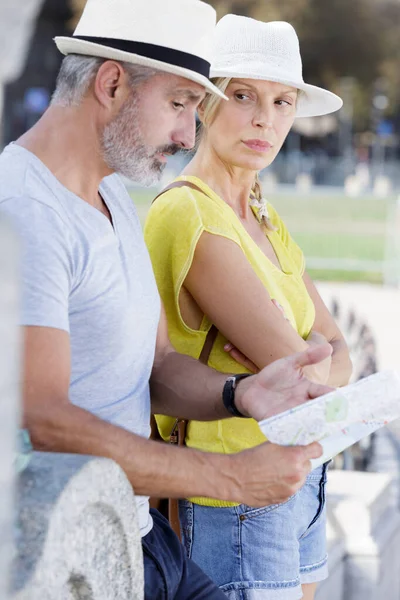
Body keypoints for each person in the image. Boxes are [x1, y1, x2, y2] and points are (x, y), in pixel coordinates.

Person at [0, 2, 332, 599]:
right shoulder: (23, 212)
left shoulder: (113, 196)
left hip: (145, 540)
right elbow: (43, 421)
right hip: (70, 561)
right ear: (111, 83)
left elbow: (158, 366)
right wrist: (230, 477)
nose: (187, 133)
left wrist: (238, 394)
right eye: (180, 103)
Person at [144, 15, 352, 600]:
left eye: (283, 101)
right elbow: (303, 371)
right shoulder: (189, 212)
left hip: (300, 474)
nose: (266, 118)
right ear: (206, 104)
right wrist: (310, 357)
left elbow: (341, 357)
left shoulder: (263, 216)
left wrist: (312, 359)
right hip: (230, 497)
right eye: (243, 96)